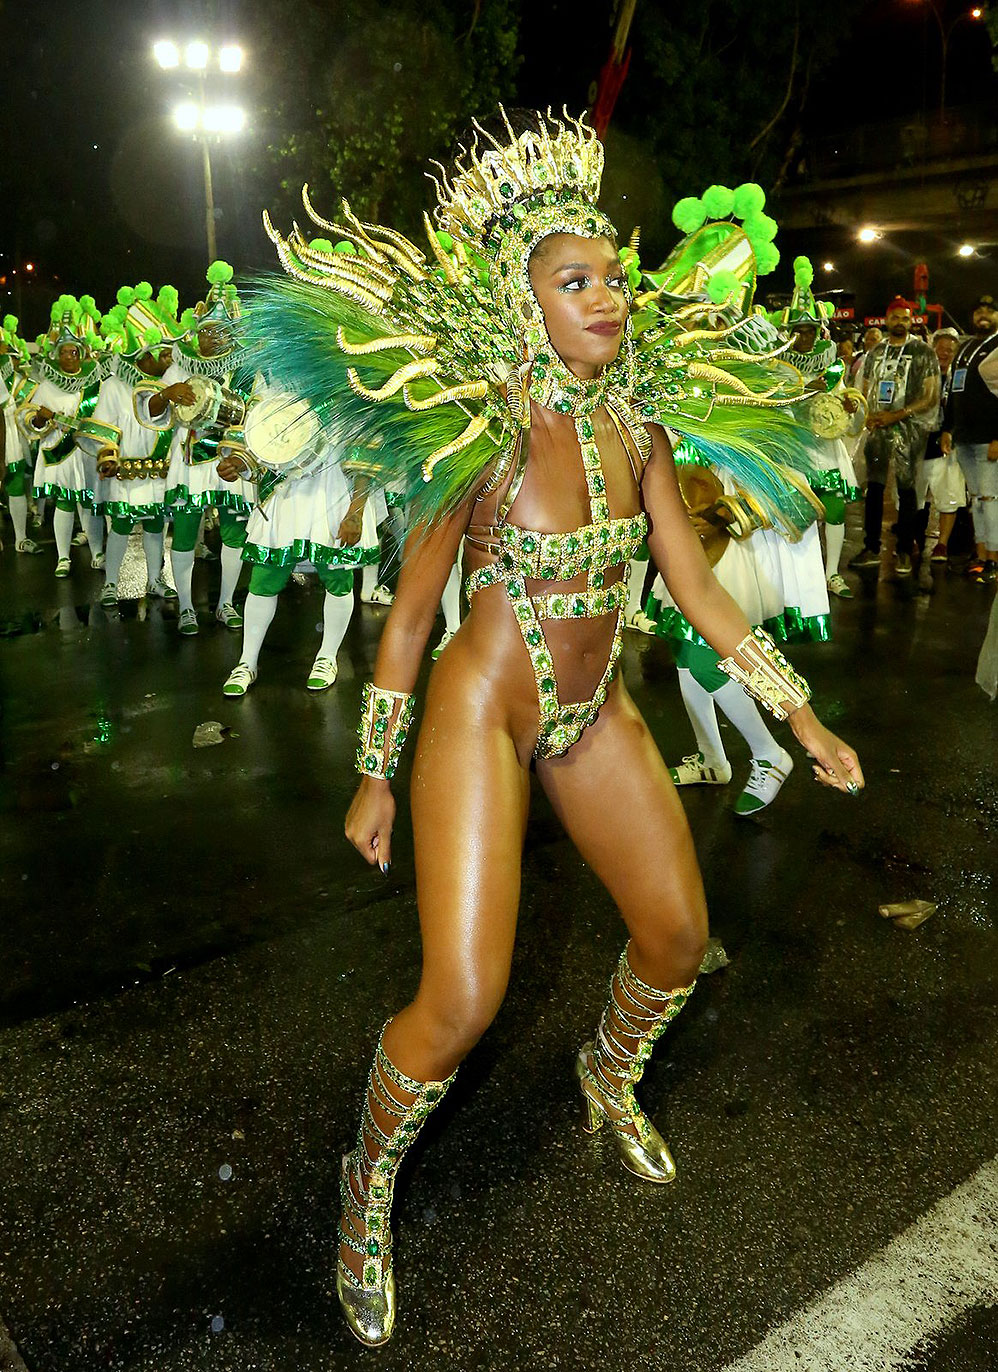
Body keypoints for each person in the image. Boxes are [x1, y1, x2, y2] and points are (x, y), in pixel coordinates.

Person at [247, 110, 863, 1347]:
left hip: (592, 713)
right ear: (518, 301)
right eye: (573, 282)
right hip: (482, 709)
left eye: (613, 280)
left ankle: (605, 1072)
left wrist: (796, 713)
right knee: (464, 996)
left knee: (678, 936)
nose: (607, 302)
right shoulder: (468, 436)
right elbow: (412, 617)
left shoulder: (637, 434)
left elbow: (692, 592)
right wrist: (373, 773)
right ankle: (364, 1186)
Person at [143, 262, 257, 633]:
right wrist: (165, 393)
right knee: (187, 533)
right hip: (190, 464)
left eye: (223, 332)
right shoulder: (178, 367)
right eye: (209, 331)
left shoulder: (244, 369)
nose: (215, 338)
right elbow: (151, 411)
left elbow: (257, 412)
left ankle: (225, 603)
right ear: (197, 334)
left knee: (233, 535)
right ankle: (188, 607)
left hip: (229, 462)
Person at [86, 285, 185, 606]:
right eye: (164, 352)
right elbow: (102, 428)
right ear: (143, 355)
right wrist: (106, 458)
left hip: (159, 472)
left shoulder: (169, 383)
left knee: (157, 526)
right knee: (123, 528)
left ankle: (156, 578)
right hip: (126, 474)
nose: (170, 357)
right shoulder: (114, 386)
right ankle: (111, 583)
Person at [777, 258, 860, 599]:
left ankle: (832, 573)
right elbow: (771, 403)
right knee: (796, 512)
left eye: (810, 330)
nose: (804, 336)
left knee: (835, 510)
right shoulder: (777, 366)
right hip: (793, 451)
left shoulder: (835, 367)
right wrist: (799, 393)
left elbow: (848, 412)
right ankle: (799, 575)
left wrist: (849, 405)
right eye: (798, 330)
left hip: (826, 450)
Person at [19, 294, 111, 577]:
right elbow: (28, 420)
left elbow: (105, 420)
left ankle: (97, 552)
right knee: (64, 502)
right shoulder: (45, 385)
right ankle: (62, 557)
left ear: (82, 354)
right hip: (57, 455)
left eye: (74, 352)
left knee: (90, 503)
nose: (69, 357)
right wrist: (39, 419)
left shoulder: (96, 382)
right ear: (56, 355)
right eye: (64, 352)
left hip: (86, 454)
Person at [850, 298, 940, 577]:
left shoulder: (923, 352)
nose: (900, 322)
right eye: (895, 317)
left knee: (907, 489)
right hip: (879, 426)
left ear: (911, 320)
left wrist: (897, 414)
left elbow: (930, 396)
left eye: (905, 318)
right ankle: (871, 548)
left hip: (909, 428)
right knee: (874, 487)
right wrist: (866, 413)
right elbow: (863, 388)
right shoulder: (876, 352)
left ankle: (903, 549)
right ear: (886, 320)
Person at [940, 296, 998, 583]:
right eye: (979, 311)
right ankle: (981, 555)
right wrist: (948, 428)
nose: (984, 315)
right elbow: (954, 391)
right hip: (965, 437)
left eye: (990, 311)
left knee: (992, 500)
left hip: (989, 438)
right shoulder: (966, 348)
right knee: (978, 501)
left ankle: (993, 563)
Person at [915, 326, 965, 582]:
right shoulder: (922, 372)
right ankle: (914, 538)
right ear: (933, 348)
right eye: (941, 347)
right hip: (920, 444)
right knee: (914, 497)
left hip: (948, 446)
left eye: (950, 349)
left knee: (948, 496)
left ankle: (942, 544)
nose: (944, 353)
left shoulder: (962, 376)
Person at [0, 315, 42, 554]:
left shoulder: (20, 381)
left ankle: (21, 538)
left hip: (10, 434)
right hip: (3, 431)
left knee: (15, 484)